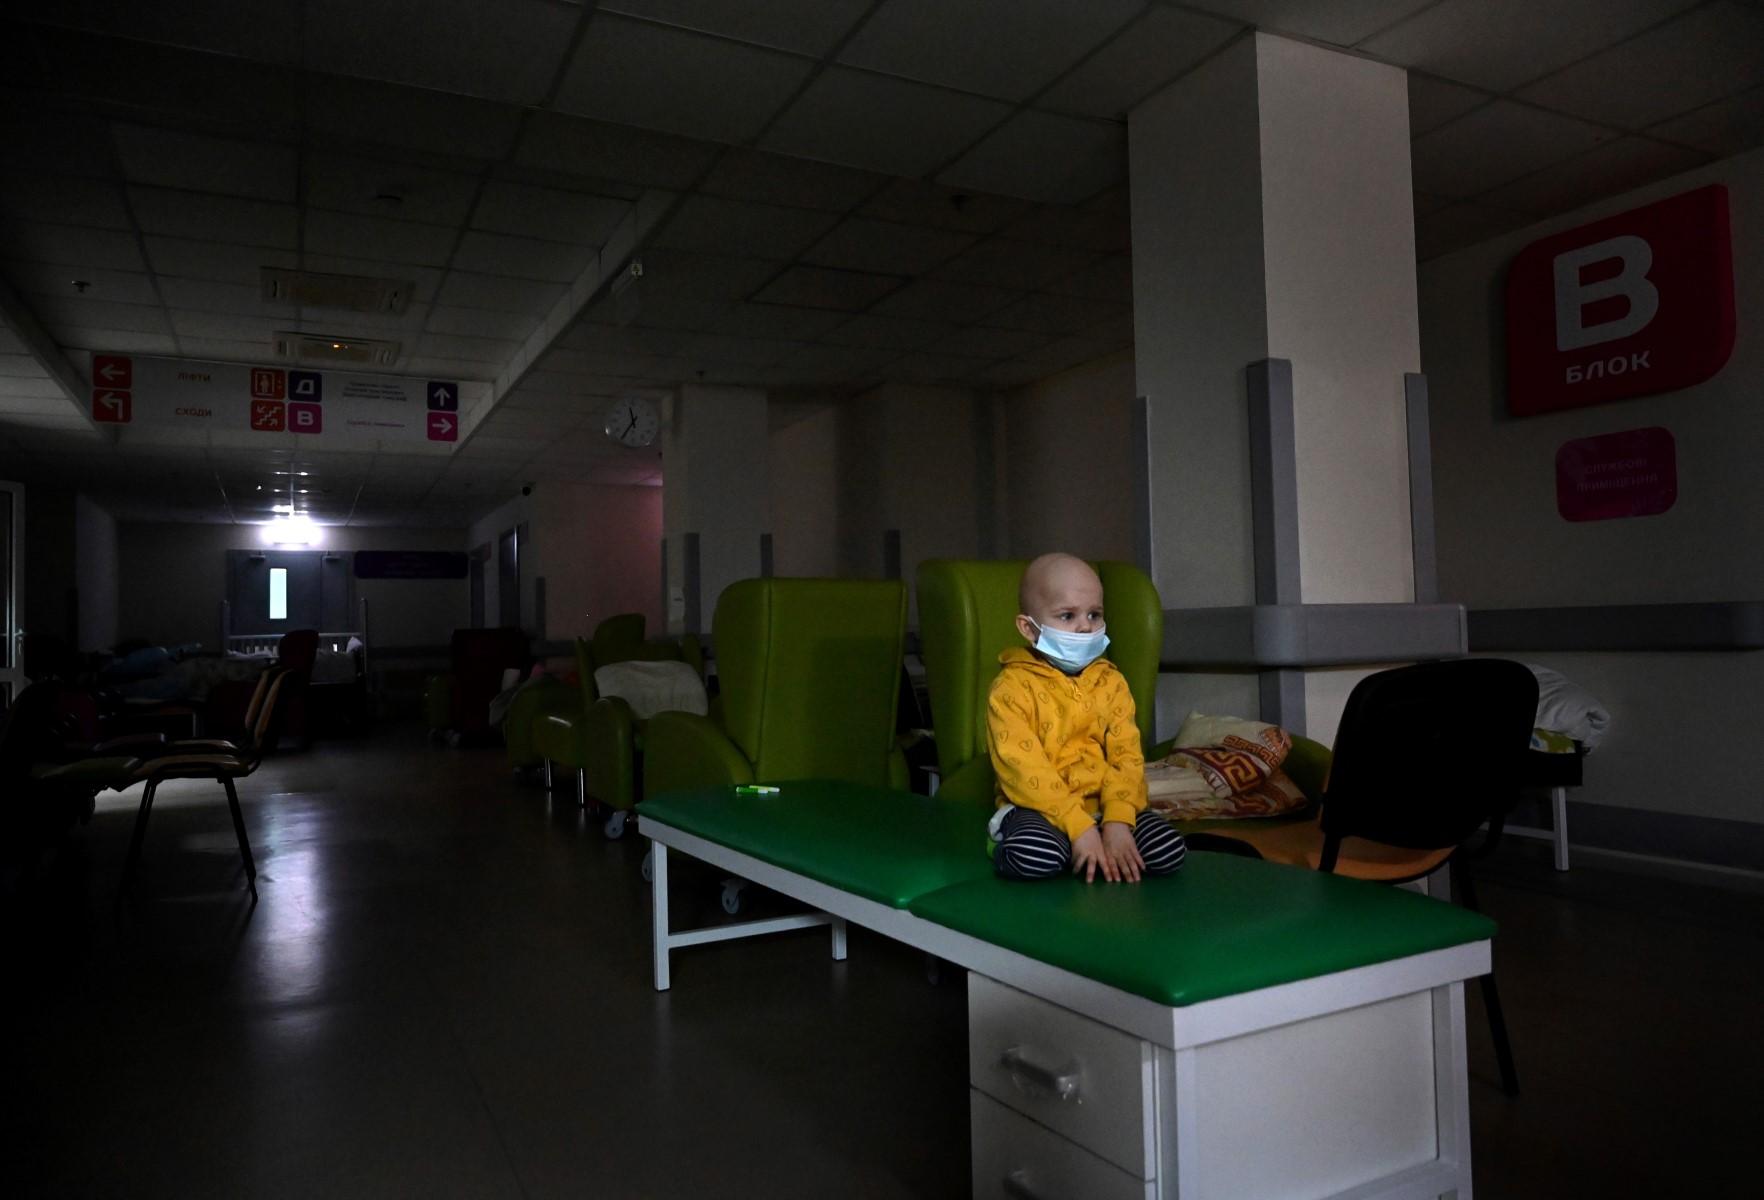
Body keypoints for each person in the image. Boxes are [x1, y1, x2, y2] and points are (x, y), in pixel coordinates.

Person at [986, 553, 1187, 882]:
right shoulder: (1010, 688)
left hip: (1104, 805)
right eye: (1067, 616)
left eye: (1094, 614)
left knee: (1167, 851)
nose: (1085, 626)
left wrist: (1118, 822)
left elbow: (1127, 755)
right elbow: (1022, 768)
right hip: (1039, 807)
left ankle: (1090, 851)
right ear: (1028, 628)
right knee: (1035, 857)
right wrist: (1079, 829)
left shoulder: (1112, 682)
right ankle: (1036, 844)